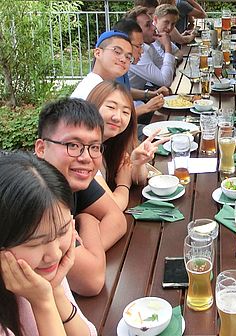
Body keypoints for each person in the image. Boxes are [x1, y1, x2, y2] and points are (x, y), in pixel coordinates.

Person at [35, 98, 127, 296]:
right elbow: (91, 282)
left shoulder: (73, 176)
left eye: (94, 147)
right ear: (41, 149)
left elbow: (118, 220)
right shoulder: (39, 197)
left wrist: (86, 253)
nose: (85, 157)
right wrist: (89, 220)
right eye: (73, 145)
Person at [0, 151, 97, 336]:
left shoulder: (41, 272)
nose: (54, 254)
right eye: (35, 243)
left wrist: (55, 290)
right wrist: (43, 303)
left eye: (62, 231)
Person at [87, 81, 166, 210]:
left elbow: (138, 180)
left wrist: (138, 164)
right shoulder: (84, 152)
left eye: (125, 112)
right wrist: (123, 184)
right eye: (111, 107)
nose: (118, 117)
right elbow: (114, 207)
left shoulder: (111, 143)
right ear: (93, 106)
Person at [112, 18, 168, 122]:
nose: (142, 51)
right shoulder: (107, 75)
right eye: (138, 46)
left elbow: (125, 91)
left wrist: (151, 94)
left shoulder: (121, 67)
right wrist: (146, 108)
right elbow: (113, 120)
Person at [125, 6, 178, 93]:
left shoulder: (147, 45)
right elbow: (165, 81)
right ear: (135, 32)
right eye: (148, 25)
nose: (154, 28)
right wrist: (168, 47)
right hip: (127, 101)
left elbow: (164, 68)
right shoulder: (134, 51)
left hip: (140, 94)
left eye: (152, 24)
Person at [71, 30, 133, 100]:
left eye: (128, 57)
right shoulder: (90, 90)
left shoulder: (107, 87)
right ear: (98, 53)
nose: (123, 59)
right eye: (117, 52)